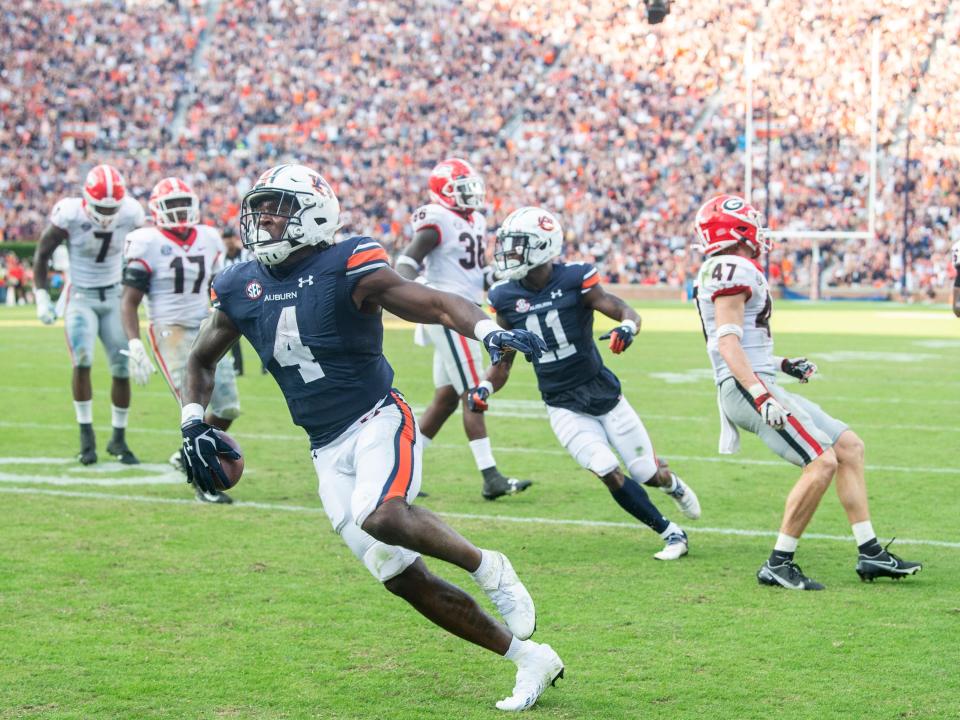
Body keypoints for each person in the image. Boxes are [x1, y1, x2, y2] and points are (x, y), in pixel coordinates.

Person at [179, 165, 563, 711]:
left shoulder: (348, 262)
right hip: (323, 447)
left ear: (313, 215)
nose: (262, 220)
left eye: (276, 209)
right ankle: (531, 660)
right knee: (399, 575)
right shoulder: (241, 283)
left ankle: (489, 566)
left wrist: (486, 328)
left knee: (380, 513)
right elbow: (200, 357)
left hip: (378, 418)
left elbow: (429, 300)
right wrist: (193, 418)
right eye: (259, 208)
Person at [692, 194, 922, 589]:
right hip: (747, 388)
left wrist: (783, 365)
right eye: (753, 225)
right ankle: (778, 562)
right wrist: (761, 395)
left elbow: (747, 347)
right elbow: (727, 346)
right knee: (821, 461)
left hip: (759, 379)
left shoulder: (732, 268)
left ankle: (870, 553)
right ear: (738, 231)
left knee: (849, 446)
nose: (760, 233)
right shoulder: (732, 269)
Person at [477, 207, 701, 561]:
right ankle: (671, 533)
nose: (508, 253)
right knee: (605, 468)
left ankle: (671, 483)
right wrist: (485, 388)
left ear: (541, 246)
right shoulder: (504, 296)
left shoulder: (575, 278)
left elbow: (624, 310)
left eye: (517, 245)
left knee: (646, 473)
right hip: (561, 403)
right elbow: (503, 362)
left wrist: (627, 328)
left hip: (603, 394)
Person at [396, 158, 531, 501]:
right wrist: (401, 292)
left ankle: (402, 470)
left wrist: (499, 275)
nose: (470, 193)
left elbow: (474, 272)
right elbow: (408, 260)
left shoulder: (475, 220)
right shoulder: (436, 218)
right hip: (450, 313)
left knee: (445, 398)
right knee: (473, 390)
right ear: (443, 191)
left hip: (465, 308)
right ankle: (491, 477)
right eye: (462, 187)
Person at [120, 177, 241, 504]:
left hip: (206, 325)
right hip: (168, 329)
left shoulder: (208, 237)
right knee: (194, 408)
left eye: (182, 203)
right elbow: (130, 300)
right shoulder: (145, 241)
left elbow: (219, 285)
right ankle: (203, 481)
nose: (178, 211)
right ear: (158, 210)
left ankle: (185, 454)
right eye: (171, 205)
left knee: (228, 406)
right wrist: (134, 343)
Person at [33, 164, 145, 464]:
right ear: (86, 199)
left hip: (114, 295)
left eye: (112, 209)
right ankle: (87, 437)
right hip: (80, 295)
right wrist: (42, 296)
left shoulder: (131, 212)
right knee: (82, 361)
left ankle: (118, 440)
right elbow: (42, 252)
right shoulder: (69, 213)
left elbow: (146, 252)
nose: (107, 215)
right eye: (100, 208)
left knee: (122, 369)